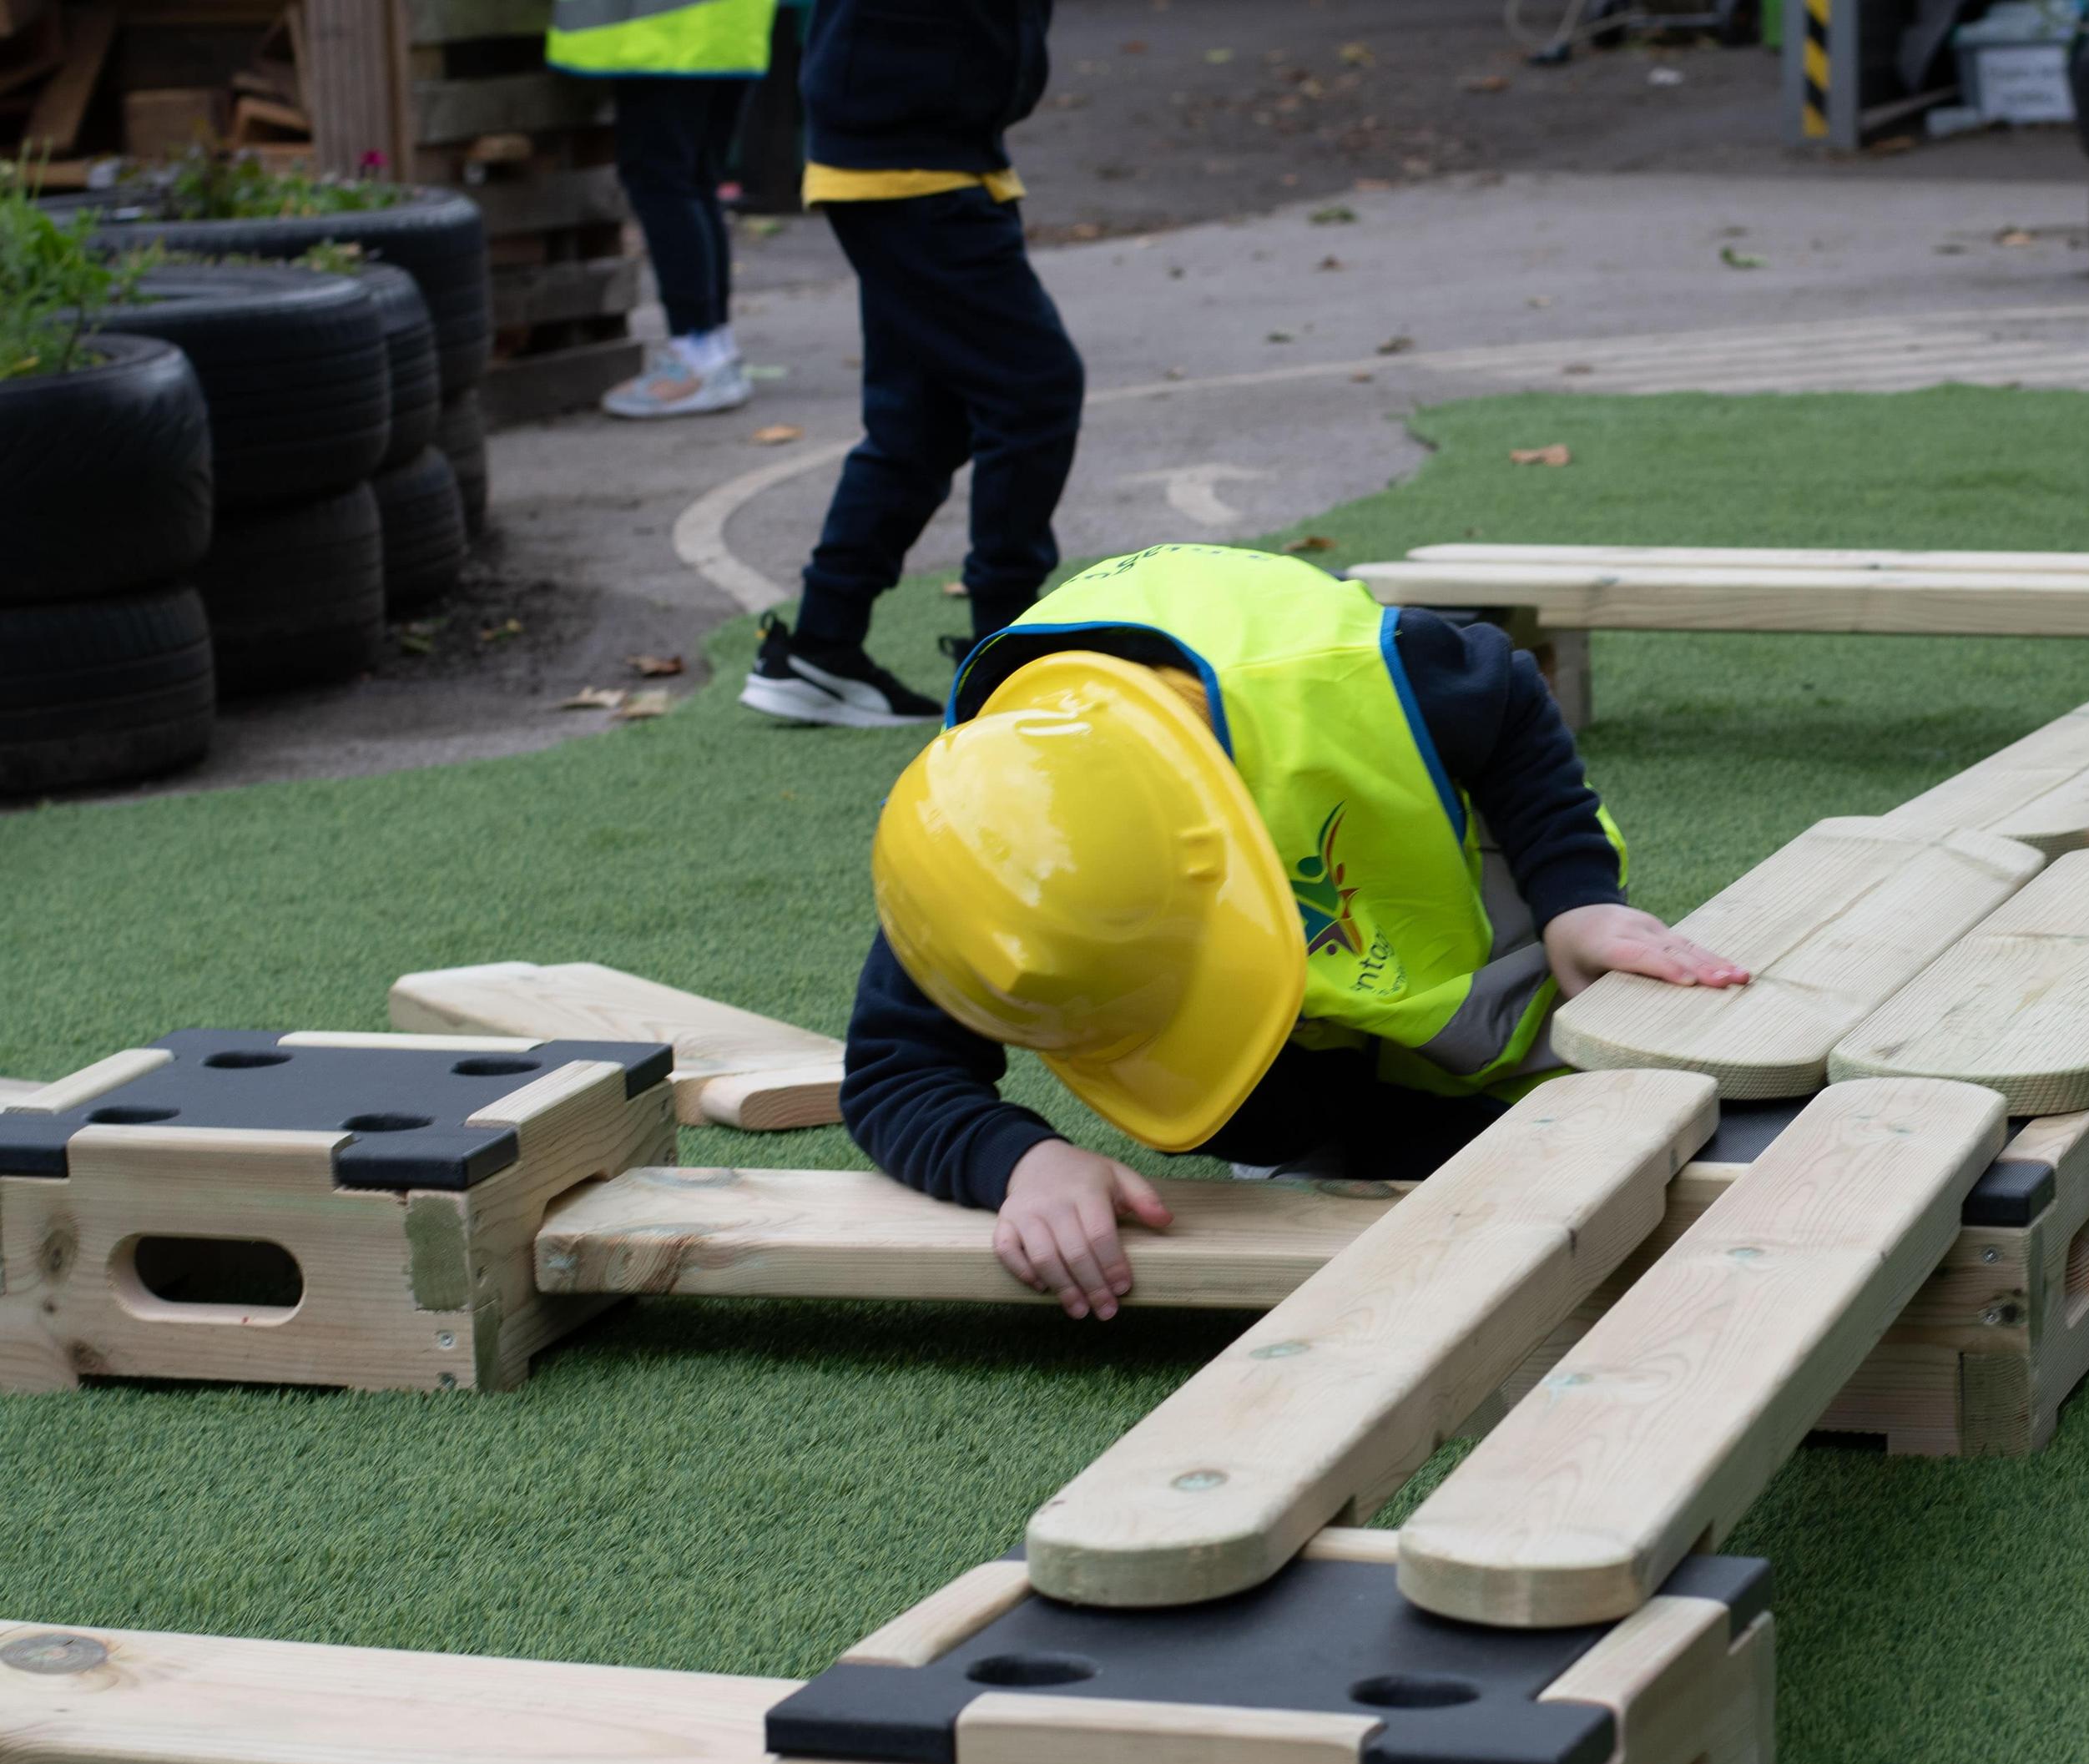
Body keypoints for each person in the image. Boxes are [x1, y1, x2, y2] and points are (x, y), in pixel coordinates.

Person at [846, 544, 1750, 1317]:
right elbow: (892, 1072)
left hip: (1449, 909)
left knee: (1606, 1110)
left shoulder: (1345, 681)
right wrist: (1021, 1162)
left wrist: (1576, 898)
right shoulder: (979, 867)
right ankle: (1361, 1123)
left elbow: (1510, 698)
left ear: (1217, 853)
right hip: (1316, 1083)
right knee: (1269, 1113)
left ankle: (1463, 1082)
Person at [737, 0, 1080, 727]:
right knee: (1034, 391)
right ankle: (1005, 653)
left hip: (926, 146)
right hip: (909, 157)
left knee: (922, 422)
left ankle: (822, 646)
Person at [547, 0, 773, 419]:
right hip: (731, 24)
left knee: (663, 182)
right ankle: (713, 349)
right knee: (695, 182)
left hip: (668, 28)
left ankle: (694, 359)